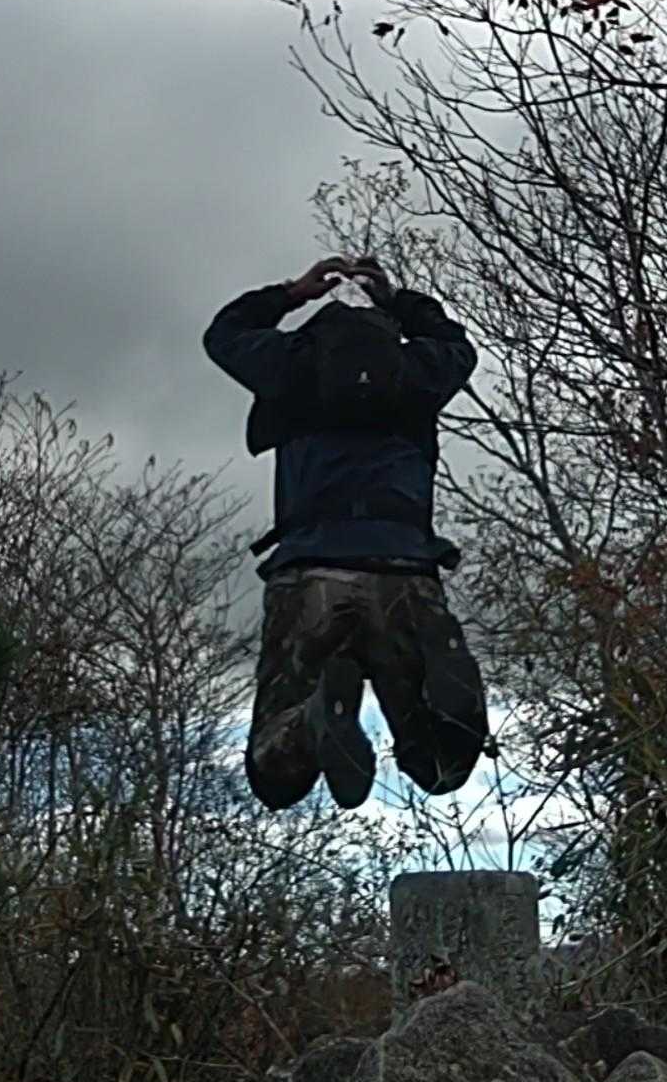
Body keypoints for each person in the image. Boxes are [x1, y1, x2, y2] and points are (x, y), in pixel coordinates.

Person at [202, 253, 488, 811]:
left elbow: (224, 334)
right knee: (438, 768)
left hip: (311, 570)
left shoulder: (289, 363)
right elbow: (458, 347)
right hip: (404, 570)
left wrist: (294, 291)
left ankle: (311, 723)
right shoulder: (417, 372)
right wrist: (398, 301)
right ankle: (456, 716)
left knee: (275, 776)